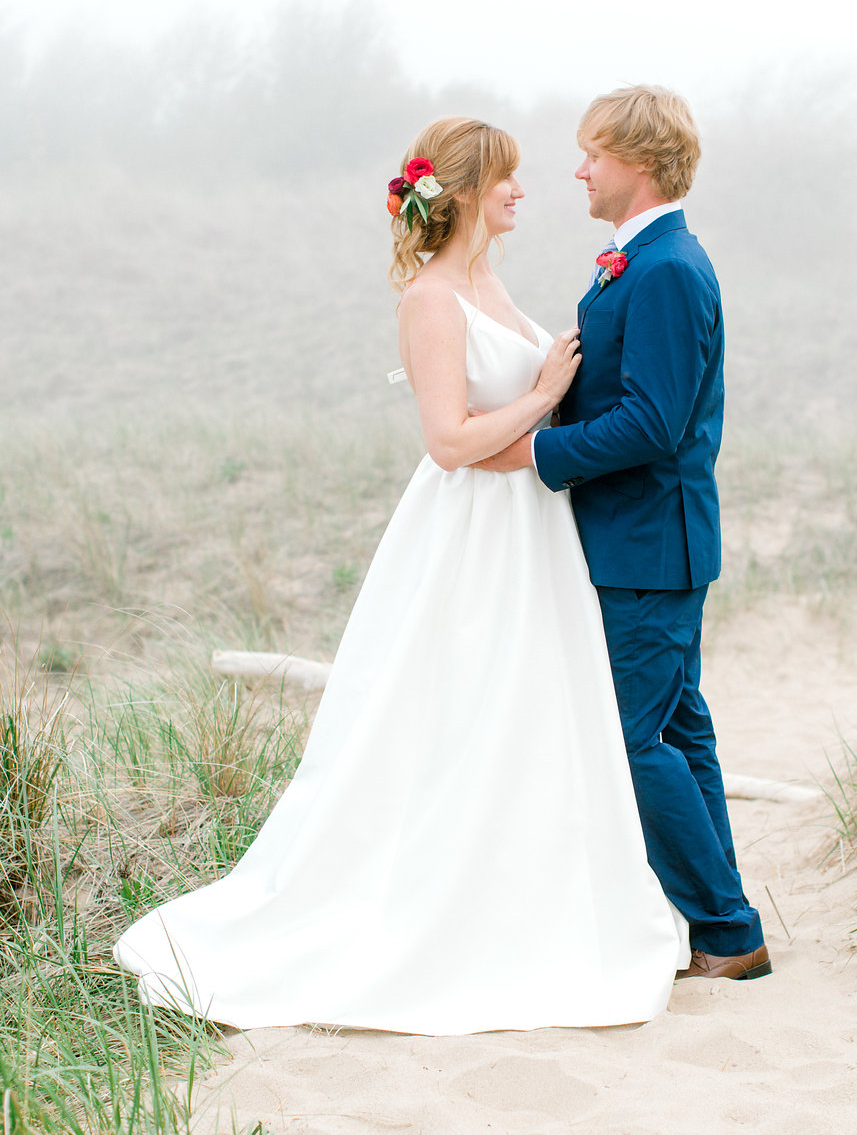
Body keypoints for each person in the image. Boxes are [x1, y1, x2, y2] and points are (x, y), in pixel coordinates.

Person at [114, 116, 680, 1035]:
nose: (522, 192)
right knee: (452, 716)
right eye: (507, 179)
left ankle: (535, 897)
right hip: (470, 535)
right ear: (460, 192)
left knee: (531, 715)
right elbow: (449, 439)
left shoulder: (490, 279)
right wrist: (542, 397)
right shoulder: (429, 299)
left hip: (533, 527)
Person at [476, 87, 770, 981]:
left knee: (633, 739)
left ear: (636, 163)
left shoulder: (670, 268)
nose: (578, 171)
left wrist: (536, 450)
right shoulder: (636, 261)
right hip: (642, 540)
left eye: (591, 155)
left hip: (651, 543)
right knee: (679, 733)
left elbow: (655, 422)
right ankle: (721, 924)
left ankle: (725, 930)